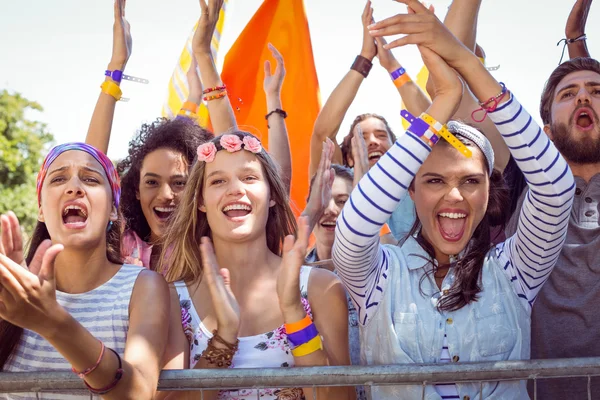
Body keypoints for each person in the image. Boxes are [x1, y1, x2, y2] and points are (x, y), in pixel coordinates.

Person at [333, 1, 576, 398]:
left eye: (470, 181)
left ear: (488, 191)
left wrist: (465, 62)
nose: (453, 195)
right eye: (433, 180)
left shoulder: (514, 270)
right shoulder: (379, 276)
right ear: (409, 190)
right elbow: (354, 228)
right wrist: (445, 97)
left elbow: (556, 188)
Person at [156, 129, 352, 400]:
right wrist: (224, 338)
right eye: (218, 181)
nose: (235, 189)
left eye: (249, 177)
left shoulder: (321, 288)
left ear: (272, 194)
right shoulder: (172, 298)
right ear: (200, 201)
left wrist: (294, 312)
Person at [0, 143, 170, 399]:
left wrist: (52, 323)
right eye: (58, 178)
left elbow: (138, 393)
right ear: (42, 211)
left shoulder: (143, 287)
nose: (74, 187)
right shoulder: (13, 290)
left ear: (113, 209)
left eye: (90, 179)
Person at [502, 56, 600, 398]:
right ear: (545, 132)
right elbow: (470, 96)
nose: (584, 98)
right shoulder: (521, 182)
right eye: (568, 94)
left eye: (596, 91)